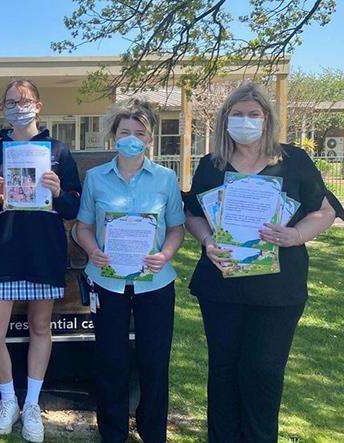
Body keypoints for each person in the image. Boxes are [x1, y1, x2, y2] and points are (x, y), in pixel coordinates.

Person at [183, 83, 337, 442]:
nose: (245, 120)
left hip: (277, 290)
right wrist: (206, 240)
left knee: (264, 371)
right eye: (237, 114)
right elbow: (194, 214)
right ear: (225, 120)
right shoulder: (211, 165)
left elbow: (325, 211)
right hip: (221, 286)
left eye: (253, 114)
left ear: (267, 118)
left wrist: (295, 235)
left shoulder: (294, 161)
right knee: (223, 371)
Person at [0, 80, 81, 442]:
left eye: (24, 101)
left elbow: (73, 206)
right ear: (2, 109)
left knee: (40, 327)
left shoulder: (59, 151)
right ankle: (9, 399)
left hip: (44, 249)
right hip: (5, 250)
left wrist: (58, 191)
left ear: (38, 105)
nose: (17, 107)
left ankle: (33, 403)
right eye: (10, 102)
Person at [76, 97, 185, 443]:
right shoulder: (95, 178)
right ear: (114, 136)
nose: (132, 138)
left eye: (140, 132)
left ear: (150, 138)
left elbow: (177, 228)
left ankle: (153, 431)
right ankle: (112, 432)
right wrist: (92, 250)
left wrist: (165, 254)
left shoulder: (166, 179)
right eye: (125, 132)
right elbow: (82, 227)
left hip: (155, 283)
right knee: (111, 359)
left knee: (155, 360)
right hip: (107, 282)